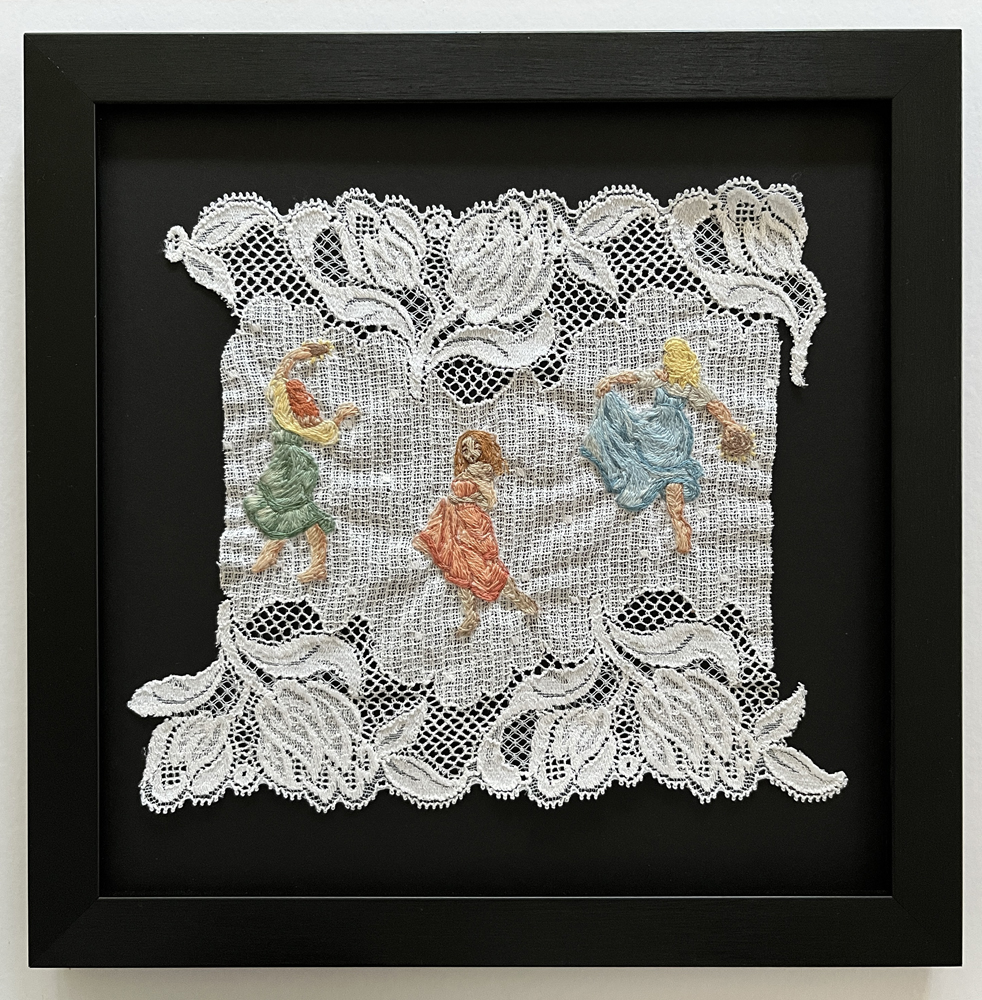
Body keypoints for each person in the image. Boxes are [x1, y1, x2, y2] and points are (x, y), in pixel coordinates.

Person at [582, 337, 755, 554]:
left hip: (661, 431)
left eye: (667, 355)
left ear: (674, 359)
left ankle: (679, 524)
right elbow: (715, 406)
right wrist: (729, 424)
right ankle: (679, 523)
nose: (663, 358)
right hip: (669, 433)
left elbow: (712, 404)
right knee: (673, 474)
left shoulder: (678, 382)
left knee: (652, 459)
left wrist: (730, 426)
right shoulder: (683, 383)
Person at [244, 340, 358, 583]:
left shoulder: (286, 416)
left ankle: (314, 563)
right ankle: (275, 553)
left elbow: (280, 376)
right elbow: (325, 433)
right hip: (283, 465)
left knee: (300, 511)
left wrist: (295, 357)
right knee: (284, 509)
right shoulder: (288, 414)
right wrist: (338, 418)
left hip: (293, 467)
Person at [412, 430, 538, 637]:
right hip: (456, 524)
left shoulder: (482, 470)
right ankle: (470, 614)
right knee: (460, 569)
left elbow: (489, 501)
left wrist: (461, 501)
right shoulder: (467, 471)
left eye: (475, 448)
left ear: (483, 449)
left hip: (473, 524)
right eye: (465, 449)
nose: (470, 453)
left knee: (486, 566)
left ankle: (519, 599)